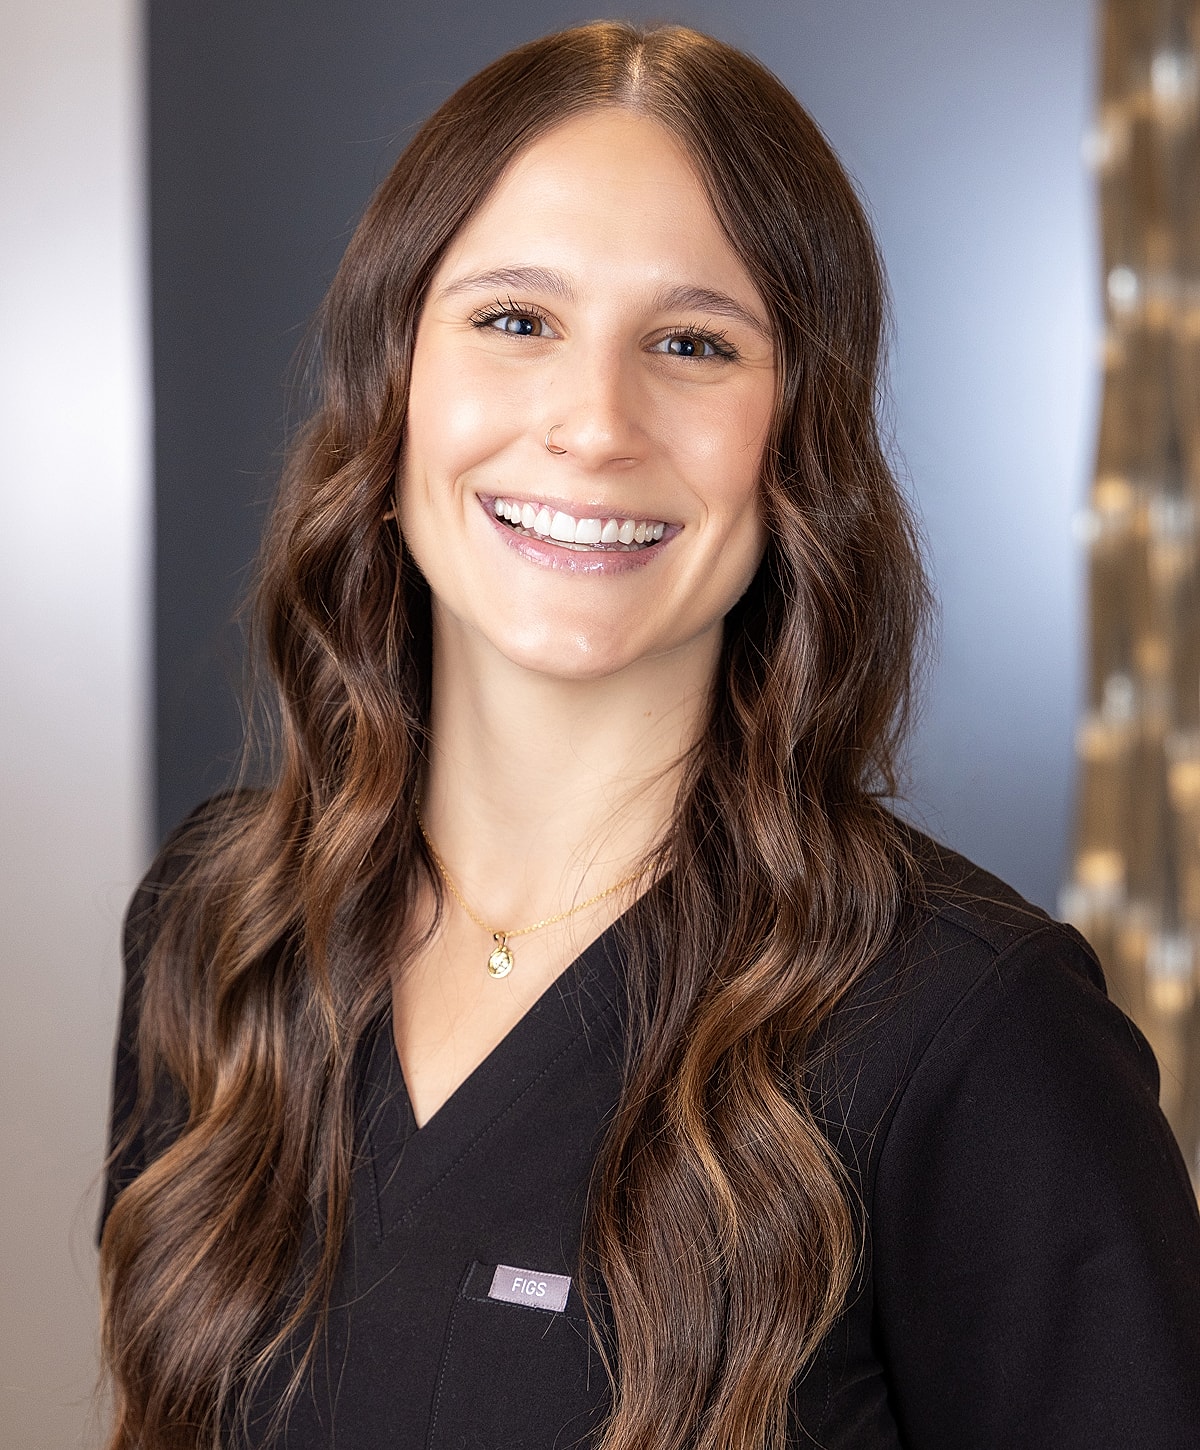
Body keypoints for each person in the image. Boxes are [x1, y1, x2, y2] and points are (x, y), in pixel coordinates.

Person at [97, 20, 1200, 1450]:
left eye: (693, 343)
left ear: (798, 438)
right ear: (394, 389)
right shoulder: (219, 928)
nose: (594, 422)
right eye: (516, 320)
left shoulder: (974, 1029)